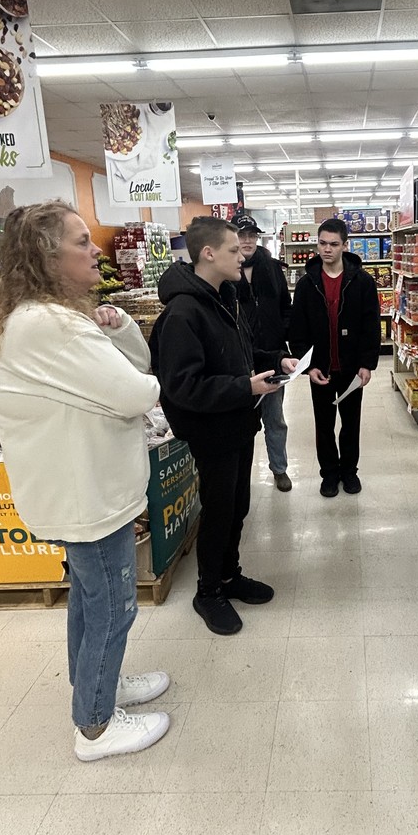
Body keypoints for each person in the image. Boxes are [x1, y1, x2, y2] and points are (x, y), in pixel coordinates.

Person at [0, 201, 170, 763]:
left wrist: (123, 326)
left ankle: (97, 686)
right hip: (84, 491)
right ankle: (94, 724)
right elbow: (139, 391)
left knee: (91, 601)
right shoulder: (50, 324)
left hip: (84, 487)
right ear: (47, 255)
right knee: (113, 604)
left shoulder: (51, 318)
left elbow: (135, 365)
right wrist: (132, 373)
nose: (96, 250)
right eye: (82, 241)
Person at [149, 217, 297, 635]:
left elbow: (242, 351)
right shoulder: (182, 312)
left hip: (237, 422)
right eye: (233, 249)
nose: (242, 254)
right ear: (208, 253)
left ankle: (229, 575)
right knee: (218, 511)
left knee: (238, 507)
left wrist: (275, 359)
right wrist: (243, 386)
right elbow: (181, 387)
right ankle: (208, 590)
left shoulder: (224, 297)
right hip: (211, 430)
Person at [288, 217, 381, 498]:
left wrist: (367, 363)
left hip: (351, 369)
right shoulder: (307, 284)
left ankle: (349, 473)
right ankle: (329, 474)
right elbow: (298, 329)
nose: (326, 249)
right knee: (324, 426)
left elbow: (371, 325)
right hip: (321, 370)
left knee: (351, 425)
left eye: (333, 244)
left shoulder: (362, 282)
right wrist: (309, 367)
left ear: (344, 246)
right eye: (322, 243)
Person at [232, 213, 293, 493]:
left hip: (271, 356)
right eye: (241, 235)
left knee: (275, 418)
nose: (247, 240)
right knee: (241, 423)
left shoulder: (271, 267)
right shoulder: (226, 271)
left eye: (252, 235)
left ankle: (279, 469)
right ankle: (238, 476)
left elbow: (285, 306)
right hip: (239, 362)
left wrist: (283, 340)